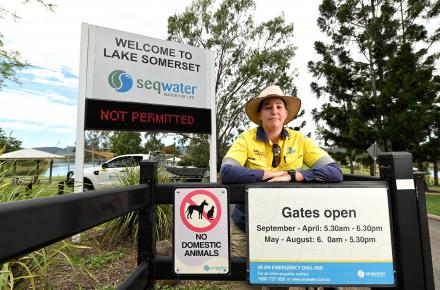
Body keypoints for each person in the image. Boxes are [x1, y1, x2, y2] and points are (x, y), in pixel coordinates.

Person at [220, 85, 343, 290]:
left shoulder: (300, 140)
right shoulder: (245, 139)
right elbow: (227, 171)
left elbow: (334, 171)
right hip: (246, 226)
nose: (274, 111)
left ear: (286, 114)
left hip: (286, 228)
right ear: (259, 114)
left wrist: (294, 175)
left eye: (279, 106)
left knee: (280, 285)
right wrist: (271, 174)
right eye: (268, 107)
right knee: (243, 284)